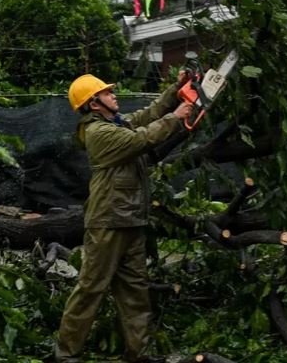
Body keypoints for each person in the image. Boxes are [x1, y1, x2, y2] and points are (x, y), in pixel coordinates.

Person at [55, 72, 193, 363]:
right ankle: (65, 354)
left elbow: (148, 114)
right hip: (108, 220)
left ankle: (138, 353)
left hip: (129, 217)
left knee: (135, 291)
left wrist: (175, 89)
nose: (113, 95)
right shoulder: (99, 133)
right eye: (107, 93)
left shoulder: (114, 123)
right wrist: (177, 117)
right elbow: (142, 138)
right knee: (91, 287)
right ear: (94, 104)